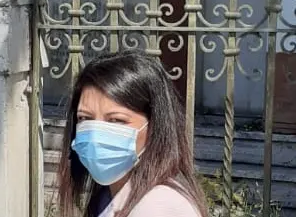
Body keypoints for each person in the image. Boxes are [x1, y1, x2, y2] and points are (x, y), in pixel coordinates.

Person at [57, 50, 208, 217]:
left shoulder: (158, 206)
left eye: (116, 120)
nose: (95, 135)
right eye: (85, 118)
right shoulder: (110, 195)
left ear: (155, 125)